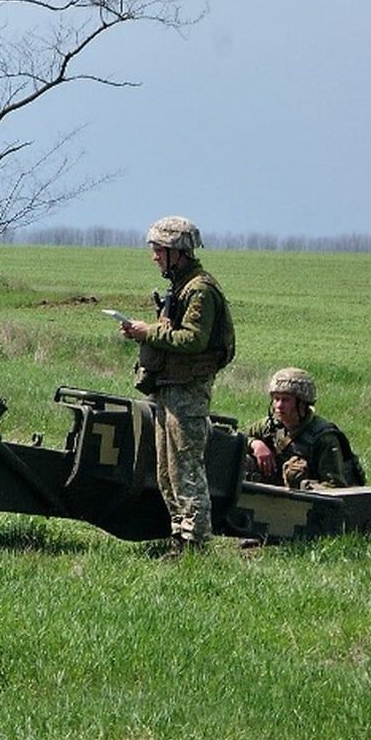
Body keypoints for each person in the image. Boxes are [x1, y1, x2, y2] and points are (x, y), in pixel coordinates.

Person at [117, 216, 230, 555]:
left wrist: (147, 332)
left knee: (186, 469)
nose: (154, 256)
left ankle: (194, 544)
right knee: (167, 471)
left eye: (159, 250)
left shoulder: (199, 290)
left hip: (188, 392)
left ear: (176, 252)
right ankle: (178, 538)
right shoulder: (181, 286)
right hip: (169, 387)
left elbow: (194, 339)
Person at [245, 367, 364, 489]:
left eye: (286, 400)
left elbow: (334, 487)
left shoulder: (323, 437)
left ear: (301, 403)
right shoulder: (269, 426)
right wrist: (255, 444)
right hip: (277, 494)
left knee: (295, 471)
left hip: (310, 502)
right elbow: (238, 438)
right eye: (276, 399)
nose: (279, 406)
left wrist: (304, 485)